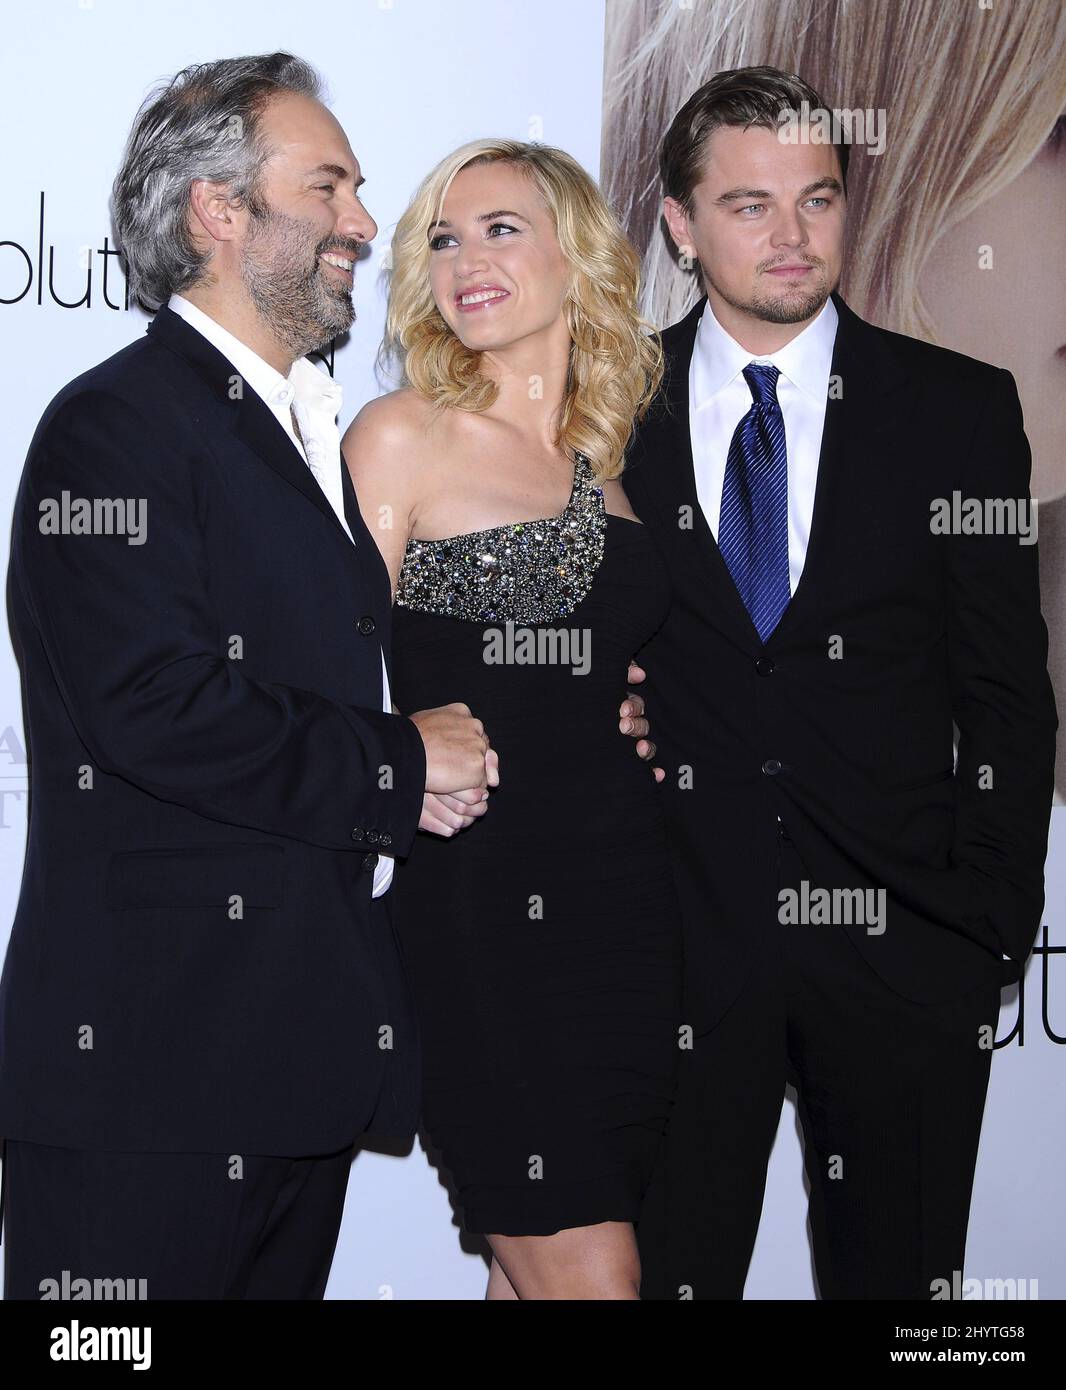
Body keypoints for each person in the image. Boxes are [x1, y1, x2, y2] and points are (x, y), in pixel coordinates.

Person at [0, 51, 493, 1300]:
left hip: (288, 1068)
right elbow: (153, 707)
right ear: (217, 211)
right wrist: (397, 761)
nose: (365, 225)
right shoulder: (111, 424)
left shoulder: (301, 426)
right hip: (145, 1085)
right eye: (327, 186)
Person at [620, 66, 1057, 1299]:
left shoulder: (957, 413)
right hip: (675, 951)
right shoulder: (606, 410)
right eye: (749, 204)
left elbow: (1008, 694)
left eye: (816, 199)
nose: (792, 235)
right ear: (680, 222)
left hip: (905, 952)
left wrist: (984, 928)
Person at [343, 138, 682, 1300]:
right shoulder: (401, 437)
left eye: (499, 228)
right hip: (484, 917)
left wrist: (647, 710)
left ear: (574, 251)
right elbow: (323, 670)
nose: (465, 259)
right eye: (443, 236)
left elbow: (618, 670)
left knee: (539, 1277)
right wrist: (401, 740)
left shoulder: (607, 463)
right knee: (595, 1276)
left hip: (630, 916)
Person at [602, 0, 1066, 801]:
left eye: (817, 201)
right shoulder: (598, 425)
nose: (792, 233)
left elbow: (1010, 716)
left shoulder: (974, 426)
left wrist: (981, 911)